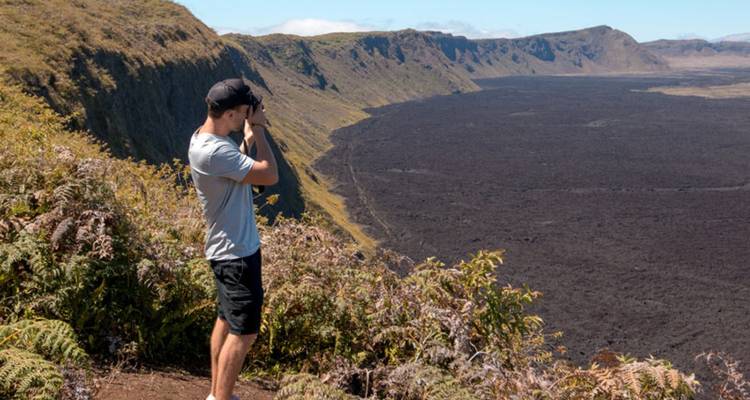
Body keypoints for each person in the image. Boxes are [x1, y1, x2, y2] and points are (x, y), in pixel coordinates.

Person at [187, 78, 279, 400]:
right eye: (244, 112)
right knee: (245, 332)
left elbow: (233, 170)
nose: (246, 118)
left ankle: (216, 393)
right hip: (236, 254)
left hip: (226, 250)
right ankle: (222, 398)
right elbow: (268, 174)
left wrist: (247, 140)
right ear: (229, 114)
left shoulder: (206, 140)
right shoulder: (214, 151)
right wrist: (261, 132)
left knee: (225, 320)